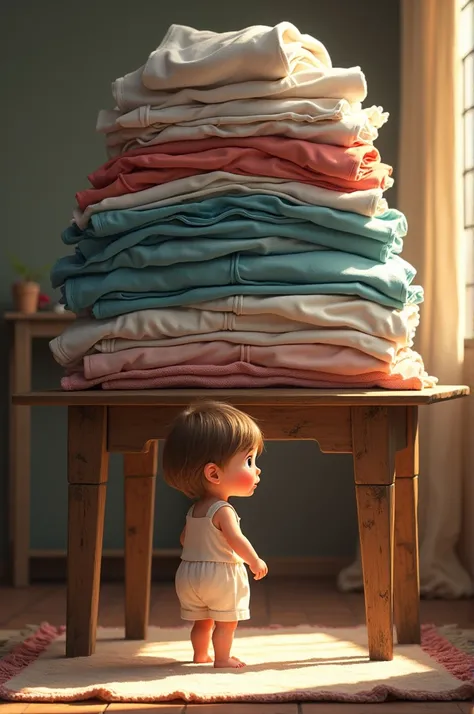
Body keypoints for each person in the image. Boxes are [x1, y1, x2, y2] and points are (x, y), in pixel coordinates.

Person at [163, 400, 268, 668]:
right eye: (248, 460)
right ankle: (222, 658)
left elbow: (184, 539)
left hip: (189, 573)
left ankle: (200, 656)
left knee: (202, 620)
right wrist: (254, 561)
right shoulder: (223, 510)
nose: (257, 469)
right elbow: (236, 540)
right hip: (220, 574)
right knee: (226, 622)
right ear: (214, 473)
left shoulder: (195, 509)